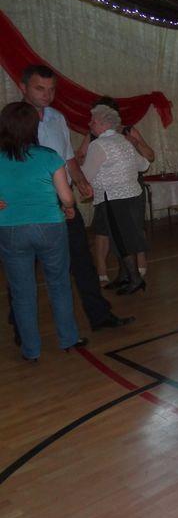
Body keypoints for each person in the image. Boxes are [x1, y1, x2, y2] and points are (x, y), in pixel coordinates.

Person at [16, 65, 134, 330]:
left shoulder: (57, 118)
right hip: (28, 204)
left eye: (51, 89)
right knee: (24, 268)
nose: (47, 95)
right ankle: (20, 324)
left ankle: (99, 316)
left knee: (81, 259)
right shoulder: (11, 119)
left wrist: (80, 180)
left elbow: (67, 156)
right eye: (39, 88)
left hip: (62, 199)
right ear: (23, 87)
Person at [0, 102, 88, 360]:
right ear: (33, 127)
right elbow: (67, 197)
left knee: (22, 292)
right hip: (50, 226)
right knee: (59, 284)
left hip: (11, 228)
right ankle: (68, 338)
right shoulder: (48, 156)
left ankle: (31, 350)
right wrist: (68, 208)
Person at [77, 97, 154, 286]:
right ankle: (126, 276)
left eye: (93, 120)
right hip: (131, 194)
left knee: (119, 239)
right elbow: (144, 164)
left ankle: (135, 279)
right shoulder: (122, 140)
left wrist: (72, 176)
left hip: (112, 197)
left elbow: (86, 174)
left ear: (103, 122)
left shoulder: (99, 144)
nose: (90, 124)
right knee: (126, 235)